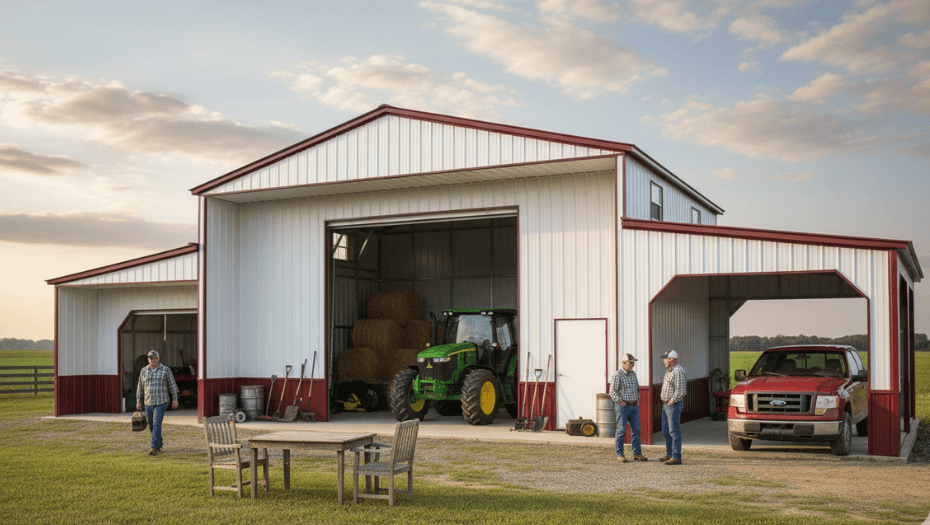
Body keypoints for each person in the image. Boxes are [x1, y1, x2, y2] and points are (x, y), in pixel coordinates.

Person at [136, 350, 179, 456]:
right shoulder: (143, 371)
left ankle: (154, 448)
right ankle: (159, 443)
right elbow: (140, 387)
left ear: (158, 359)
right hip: (148, 402)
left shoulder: (165, 370)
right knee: (151, 425)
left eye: (155, 358)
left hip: (161, 402)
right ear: (148, 359)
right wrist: (138, 401)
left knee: (156, 424)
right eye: (151, 358)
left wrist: (175, 399)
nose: (153, 360)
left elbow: (172, 385)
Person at [609, 353, 647, 462]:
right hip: (623, 406)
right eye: (631, 363)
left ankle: (637, 454)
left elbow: (637, 388)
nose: (633, 365)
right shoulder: (618, 375)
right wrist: (620, 401)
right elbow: (612, 391)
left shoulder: (633, 374)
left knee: (636, 431)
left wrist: (637, 400)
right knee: (621, 430)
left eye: (633, 363)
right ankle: (619, 454)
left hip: (634, 406)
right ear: (624, 363)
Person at [659, 349, 687, 465]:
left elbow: (681, 390)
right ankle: (669, 453)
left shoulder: (678, 371)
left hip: (673, 405)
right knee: (666, 431)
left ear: (672, 359)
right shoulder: (669, 371)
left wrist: (672, 401)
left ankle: (676, 456)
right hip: (666, 405)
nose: (664, 361)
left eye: (666, 359)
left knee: (674, 431)